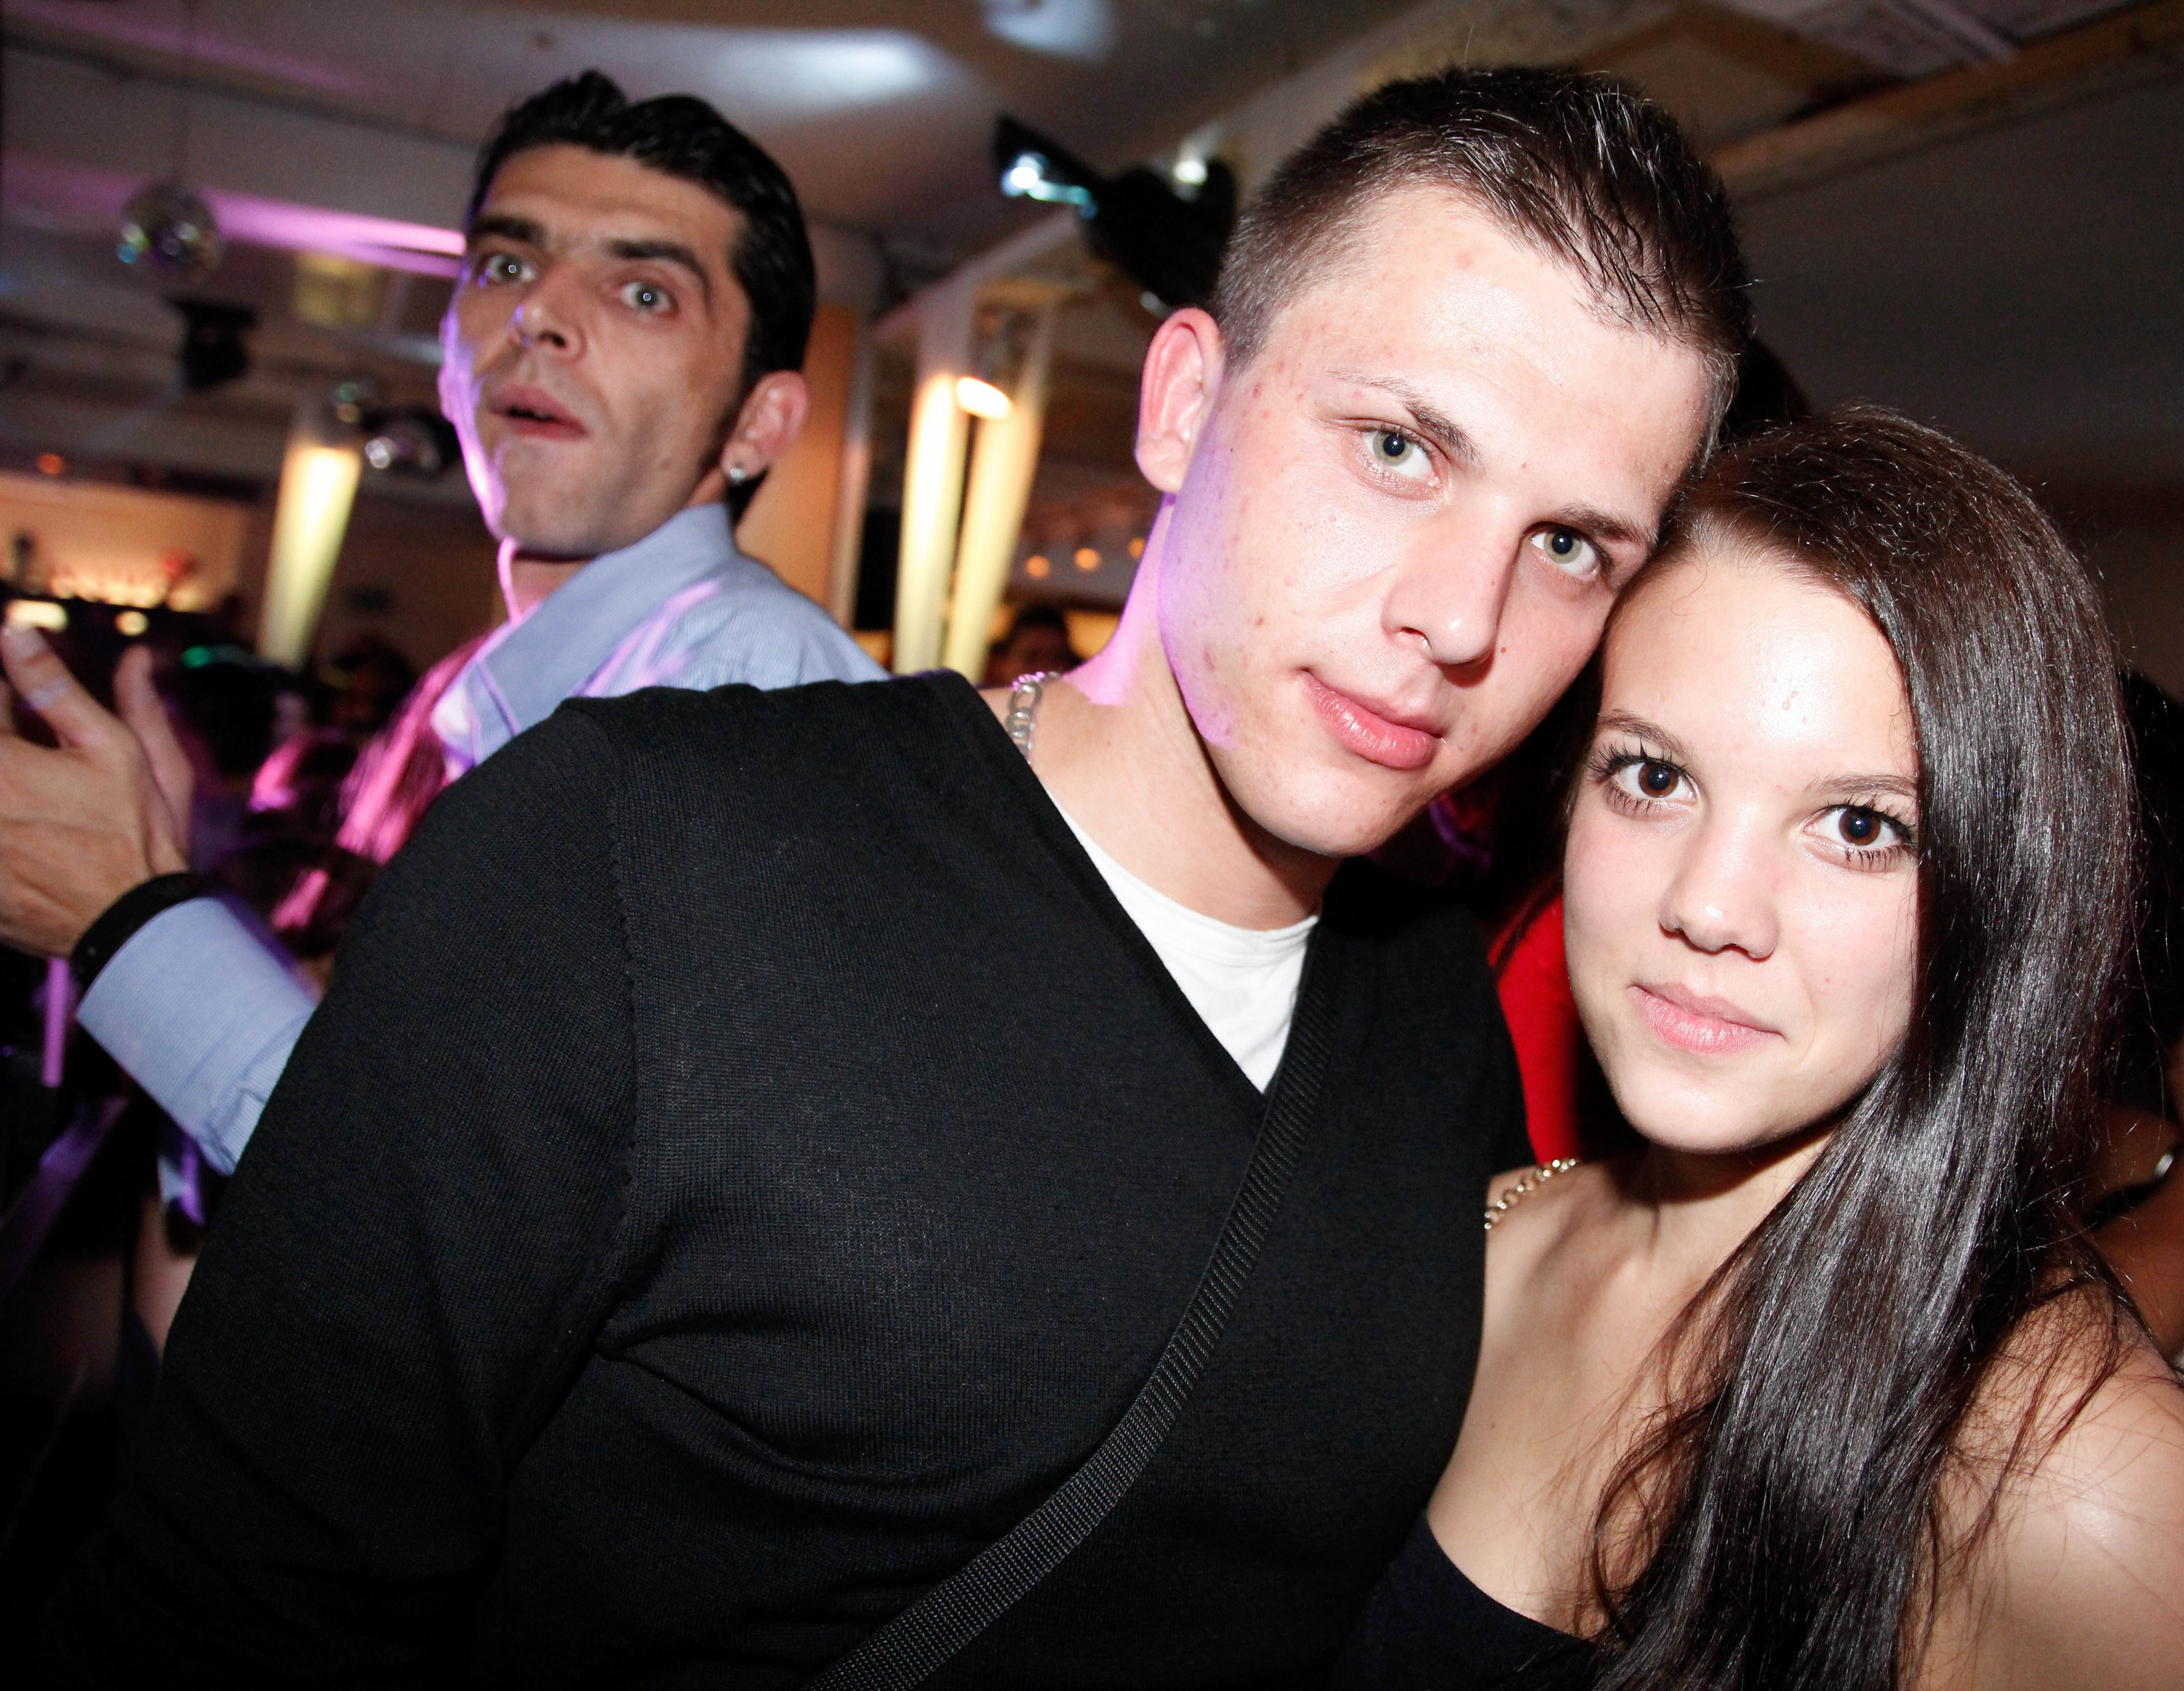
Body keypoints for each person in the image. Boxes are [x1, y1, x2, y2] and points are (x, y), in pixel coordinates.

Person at [45, 66, 1751, 1683]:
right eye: (1398, 448)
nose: (1461, 618)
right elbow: (233, 1612)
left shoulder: (1436, 1023)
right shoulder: (627, 857)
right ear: (1182, 402)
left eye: (1568, 545)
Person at [1334, 409, 2184, 1690]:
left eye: (1857, 825)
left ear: (1998, 889)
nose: (1709, 906)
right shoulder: (1483, 1250)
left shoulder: (2066, 1485)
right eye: (1654, 777)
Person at [0, 73, 884, 1183]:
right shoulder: (498, 687)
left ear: (758, 422)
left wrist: (127, 913)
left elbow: (476, 1202)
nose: (537, 316)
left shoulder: (743, 686)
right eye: (507, 266)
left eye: (643, 292)